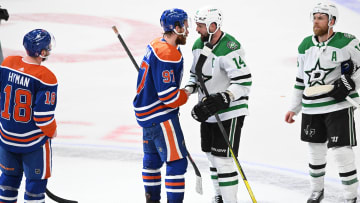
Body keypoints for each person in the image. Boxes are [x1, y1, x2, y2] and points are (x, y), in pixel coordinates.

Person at [285, 2, 360, 203]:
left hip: (338, 106)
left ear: (332, 21)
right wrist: (294, 108)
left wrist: (350, 83)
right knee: (315, 153)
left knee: (342, 153)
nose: (316, 21)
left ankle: (350, 197)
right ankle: (317, 192)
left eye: (321, 18)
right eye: (315, 17)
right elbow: (300, 80)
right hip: (311, 108)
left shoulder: (348, 43)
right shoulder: (305, 45)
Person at [186, 6, 252, 203]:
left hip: (230, 111)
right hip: (209, 110)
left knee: (223, 161)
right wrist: (187, 90)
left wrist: (226, 96)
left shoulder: (230, 48)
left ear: (213, 26)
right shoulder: (199, 44)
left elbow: (244, 82)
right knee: (210, 155)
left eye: (200, 26)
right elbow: (194, 74)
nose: (197, 30)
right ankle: (219, 197)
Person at [133, 8, 190, 203]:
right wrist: (187, 93)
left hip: (145, 114)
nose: (188, 29)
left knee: (152, 161)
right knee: (176, 162)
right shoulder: (168, 53)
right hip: (161, 115)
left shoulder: (156, 44)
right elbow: (168, 96)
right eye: (184, 25)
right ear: (176, 28)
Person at [0, 29, 58, 202]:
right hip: (32, 143)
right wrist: (51, 131)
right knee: (35, 187)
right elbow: (42, 116)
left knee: (8, 182)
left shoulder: (8, 63)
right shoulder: (46, 77)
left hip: (6, 138)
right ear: (41, 52)